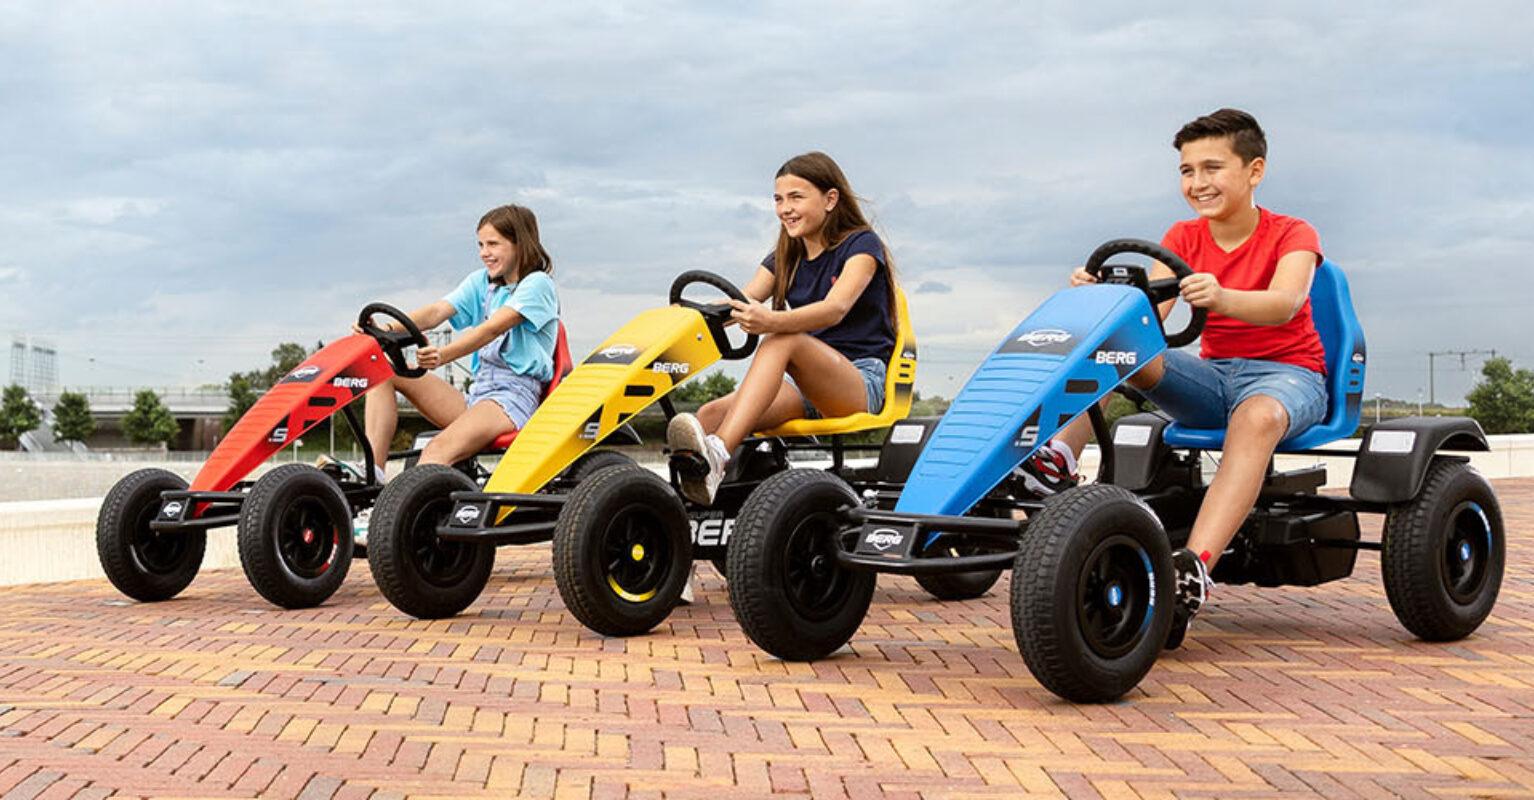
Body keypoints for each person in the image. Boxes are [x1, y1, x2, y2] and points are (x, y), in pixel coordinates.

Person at [1021, 109, 1329, 646]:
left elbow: (1286, 303)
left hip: (1288, 377)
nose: (1197, 183)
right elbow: (1148, 322)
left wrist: (1223, 296)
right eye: (1187, 171)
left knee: (1255, 417)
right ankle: (1057, 459)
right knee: (1121, 349)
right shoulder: (1182, 237)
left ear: (1254, 170)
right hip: (1214, 378)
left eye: (1212, 168)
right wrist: (1098, 295)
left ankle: (1195, 568)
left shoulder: (1292, 232)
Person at [666, 151, 897, 507]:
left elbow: (835, 309)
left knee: (781, 338)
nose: (785, 208)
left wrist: (771, 321)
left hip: (857, 381)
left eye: (796, 197)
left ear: (830, 199)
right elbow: (740, 302)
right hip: (805, 389)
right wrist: (688, 316)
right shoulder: (784, 257)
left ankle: (719, 455)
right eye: (778, 199)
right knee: (709, 415)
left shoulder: (861, 245)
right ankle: (692, 510)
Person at [359, 204, 560, 478]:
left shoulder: (537, 285)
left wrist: (443, 355)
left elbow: (491, 330)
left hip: (512, 399)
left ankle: (396, 516)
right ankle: (373, 473)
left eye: (493, 244)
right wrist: (385, 329)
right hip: (477, 396)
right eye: (480, 245)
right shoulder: (483, 283)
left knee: (436, 450)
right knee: (382, 371)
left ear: (519, 244)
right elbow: (436, 312)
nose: (484, 253)